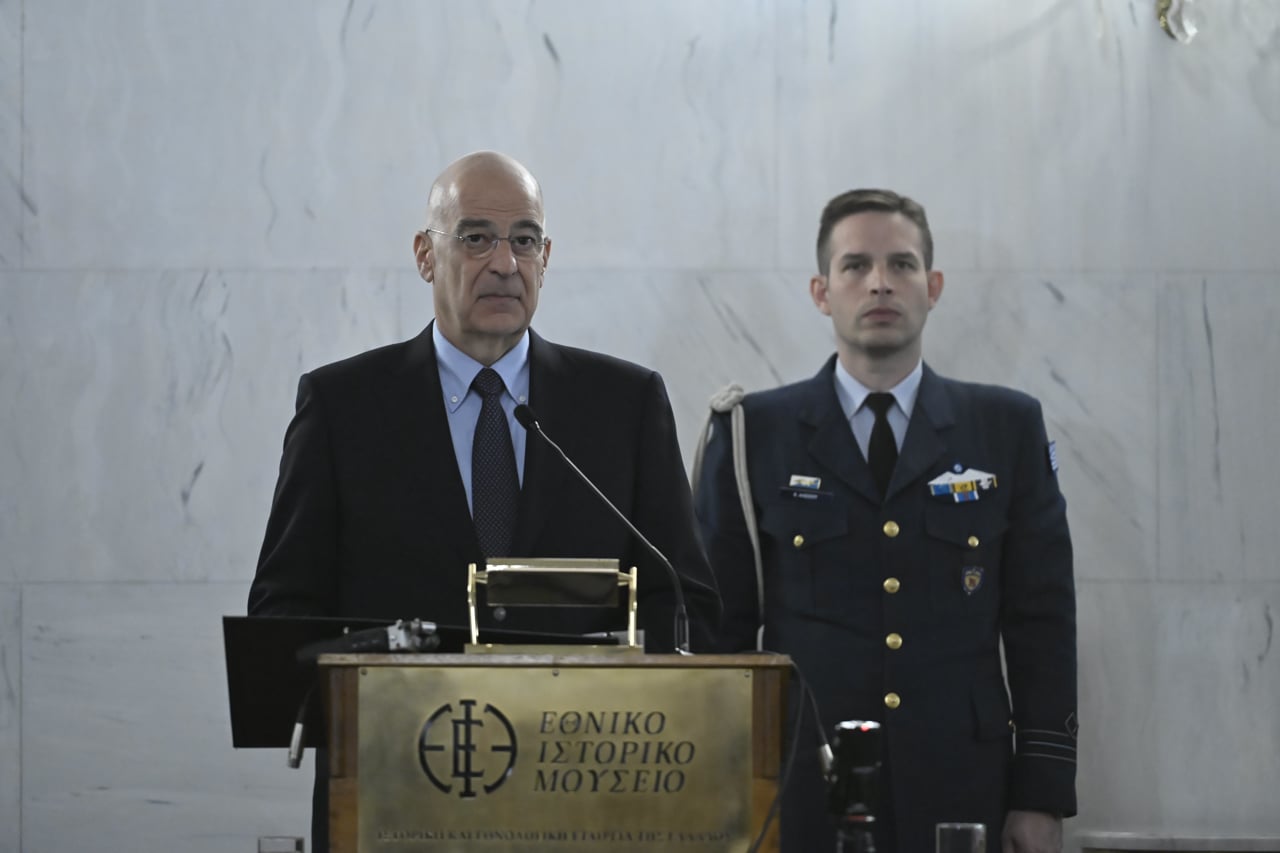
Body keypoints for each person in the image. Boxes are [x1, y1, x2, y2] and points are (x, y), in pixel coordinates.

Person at [248, 151, 721, 852]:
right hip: (396, 796)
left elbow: (683, 601)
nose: (505, 262)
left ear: (546, 258)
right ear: (424, 255)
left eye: (524, 239)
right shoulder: (344, 407)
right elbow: (284, 613)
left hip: (585, 798)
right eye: (475, 237)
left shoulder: (623, 404)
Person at [693, 189, 1076, 853]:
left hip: (963, 783)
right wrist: (720, 792)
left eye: (901, 264)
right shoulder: (754, 432)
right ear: (821, 292)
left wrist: (1040, 795)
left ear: (933, 286)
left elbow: (1041, 622)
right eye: (855, 265)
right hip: (801, 787)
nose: (879, 282)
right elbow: (718, 632)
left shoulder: (1004, 429)